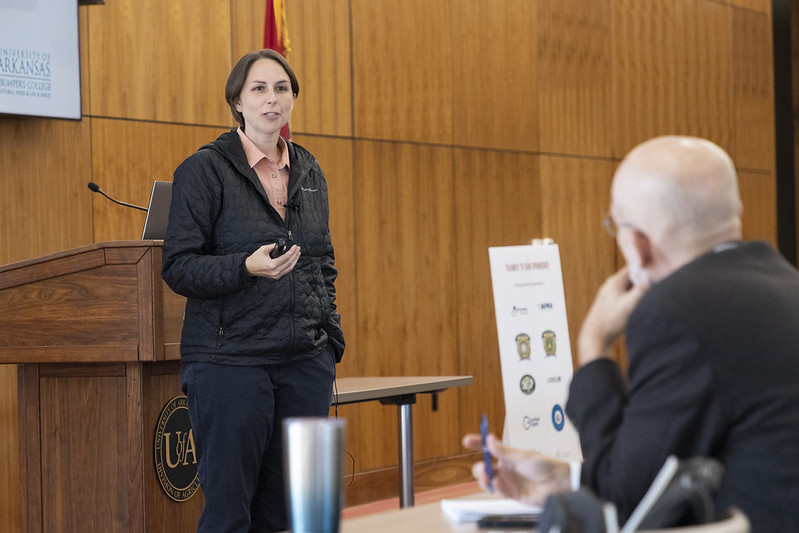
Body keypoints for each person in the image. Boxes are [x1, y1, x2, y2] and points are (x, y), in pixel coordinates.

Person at [463, 136, 799, 532]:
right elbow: (669, 463)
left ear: (639, 245)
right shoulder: (786, 283)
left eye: (614, 226)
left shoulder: (676, 311)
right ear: (734, 212)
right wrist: (564, 479)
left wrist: (594, 345)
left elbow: (626, 498)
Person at [161, 49, 345, 533]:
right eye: (258, 89)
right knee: (229, 515)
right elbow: (178, 266)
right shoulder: (204, 170)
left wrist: (330, 342)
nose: (272, 99)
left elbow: (323, 263)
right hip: (229, 363)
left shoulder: (310, 171)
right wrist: (244, 268)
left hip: (304, 363)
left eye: (281, 88)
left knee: (289, 516)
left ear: (293, 100)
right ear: (237, 103)